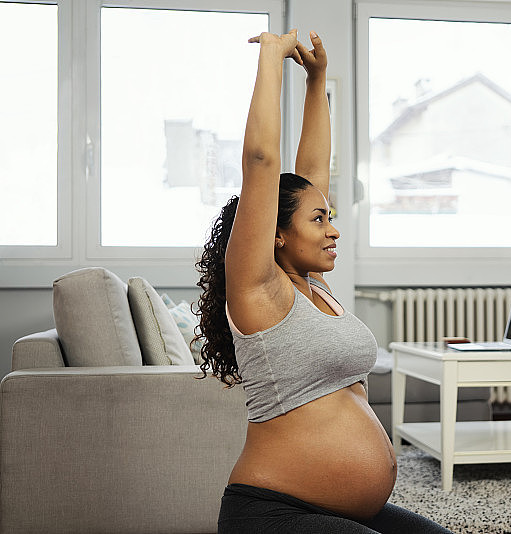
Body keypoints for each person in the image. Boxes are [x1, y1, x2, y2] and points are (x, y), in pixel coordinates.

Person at [195, 29, 454, 534]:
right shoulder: (259, 294)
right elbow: (261, 163)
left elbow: (311, 173)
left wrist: (316, 82)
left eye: (329, 216)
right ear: (275, 235)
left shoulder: (316, 288)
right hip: (272, 514)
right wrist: (271, 57)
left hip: (342, 510)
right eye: (319, 220)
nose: (333, 228)